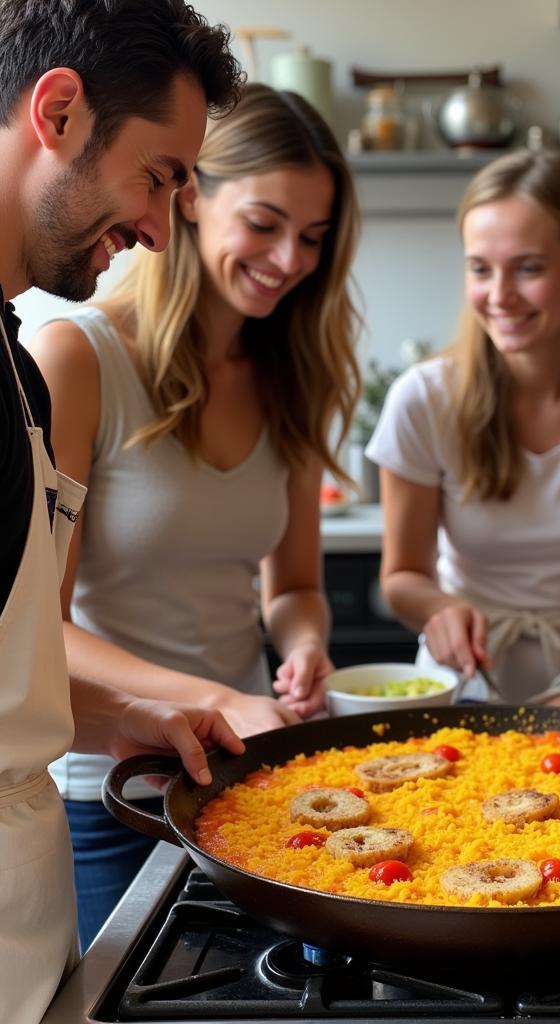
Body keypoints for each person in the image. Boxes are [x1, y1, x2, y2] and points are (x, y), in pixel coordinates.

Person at [28, 81, 362, 949]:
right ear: (191, 197)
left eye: (314, 239)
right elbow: (38, 627)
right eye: (265, 223)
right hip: (113, 789)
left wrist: (304, 647)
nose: (290, 258)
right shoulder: (77, 355)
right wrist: (219, 697)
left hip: (247, 777)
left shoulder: (294, 378)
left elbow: (291, 587)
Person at [0, 2, 245, 1021]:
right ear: (57, 112)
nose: (159, 225)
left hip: (29, 921)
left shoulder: (18, 370)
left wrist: (121, 710)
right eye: (157, 174)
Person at [367, 150, 560, 707]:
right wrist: (440, 609)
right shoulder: (423, 399)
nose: (499, 295)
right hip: (460, 690)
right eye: (480, 268)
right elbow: (401, 576)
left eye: (528, 268)